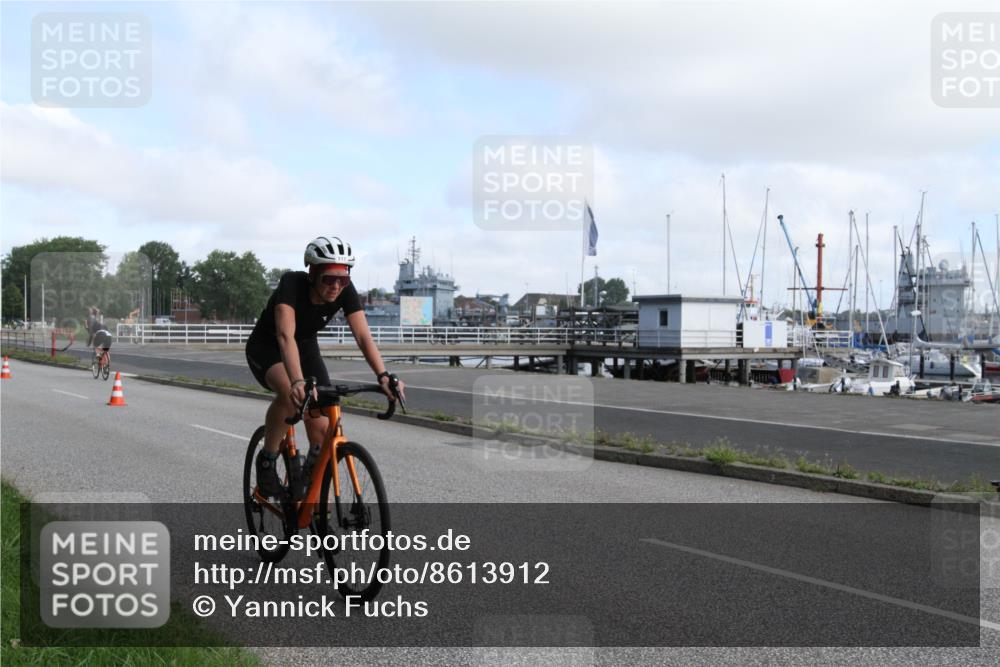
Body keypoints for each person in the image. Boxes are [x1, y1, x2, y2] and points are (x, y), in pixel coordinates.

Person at [245, 236, 405, 497]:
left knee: (323, 426)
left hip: (306, 348)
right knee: (290, 396)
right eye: (329, 279)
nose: (336, 286)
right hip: (269, 345)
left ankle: (309, 484)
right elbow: (285, 335)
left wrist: (383, 375)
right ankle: (267, 460)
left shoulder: (345, 290)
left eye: (343, 279)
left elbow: (363, 336)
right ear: (313, 273)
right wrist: (297, 382)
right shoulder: (292, 283)